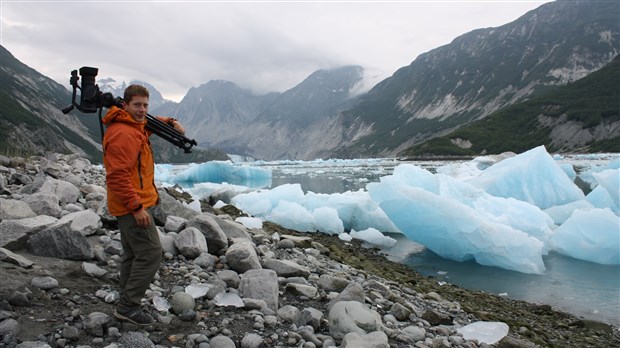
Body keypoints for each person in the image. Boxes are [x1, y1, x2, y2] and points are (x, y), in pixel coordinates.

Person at [102, 84, 185, 326]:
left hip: (131, 202)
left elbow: (148, 121)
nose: (142, 110)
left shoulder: (134, 126)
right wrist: (137, 208)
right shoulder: (123, 133)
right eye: (137, 105)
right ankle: (128, 307)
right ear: (124, 105)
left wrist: (170, 121)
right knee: (150, 253)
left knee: (133, 253)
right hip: (131, 205)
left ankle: (125, 300)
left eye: (145, 105)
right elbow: (116, 175)